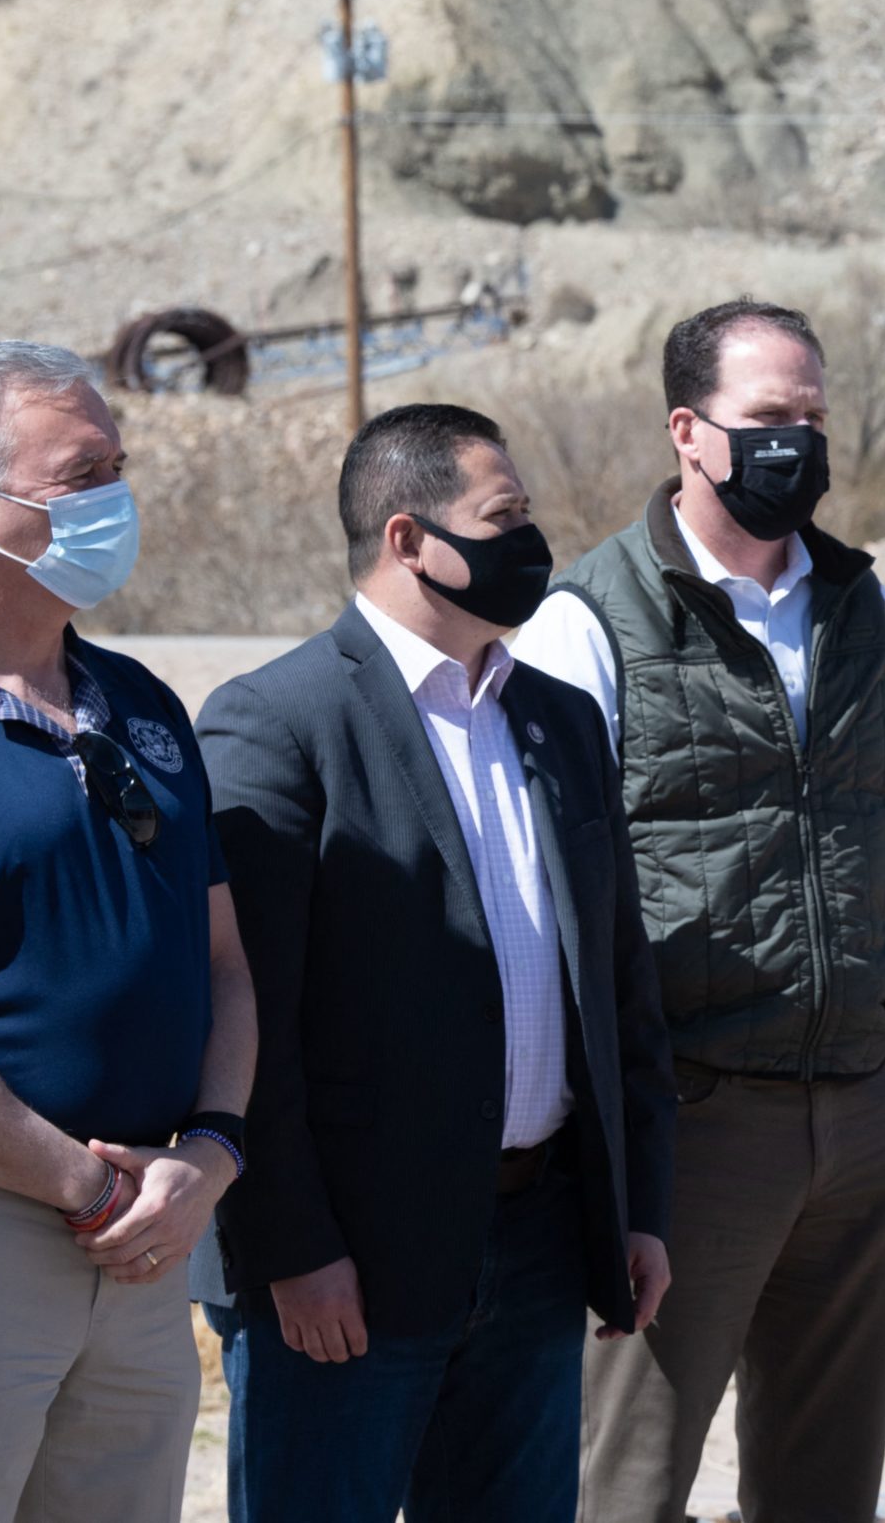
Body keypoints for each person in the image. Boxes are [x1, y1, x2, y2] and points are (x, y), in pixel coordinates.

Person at [510, 297, 885, 1523]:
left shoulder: (858, 605)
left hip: (861, 1111)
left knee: (825, 1483)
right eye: (769, 417)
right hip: (693, 1124)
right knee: (625, 1479)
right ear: (688, 431)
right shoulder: (587, 618)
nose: (797, 443)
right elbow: (554, 888)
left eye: (812, 417)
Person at [195, 404, 675, 1522]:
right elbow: (244, 1015)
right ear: (409, 539)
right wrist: (292, 1246)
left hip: (541, 1243)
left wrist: (635, 1205)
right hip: (351, 1267)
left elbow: (618, 980)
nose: (534, 539)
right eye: (502, 515)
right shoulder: (278, 722)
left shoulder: (557, 718)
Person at [0, 340, 257, 1521]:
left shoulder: (143, 704)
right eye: (84, 473)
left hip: (150, 1242)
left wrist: (211, 1156)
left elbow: (222, 963)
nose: (117, 498)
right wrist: (82, 1183)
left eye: (118, 464)